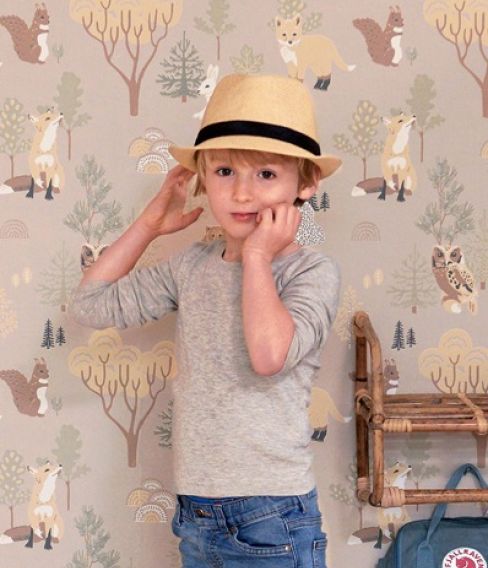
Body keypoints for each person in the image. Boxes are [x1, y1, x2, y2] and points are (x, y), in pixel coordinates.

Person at [69, 73, 342, 568]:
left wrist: (257, 256)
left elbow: (269, 356)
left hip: (272, 515)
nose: (241, 193)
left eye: (266, 174)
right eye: (223, 172)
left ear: (305, 185)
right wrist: (150, 224)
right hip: (197, 512)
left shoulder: (310, 272)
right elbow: (90, 304)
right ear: (201, 179)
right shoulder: (192, 266)